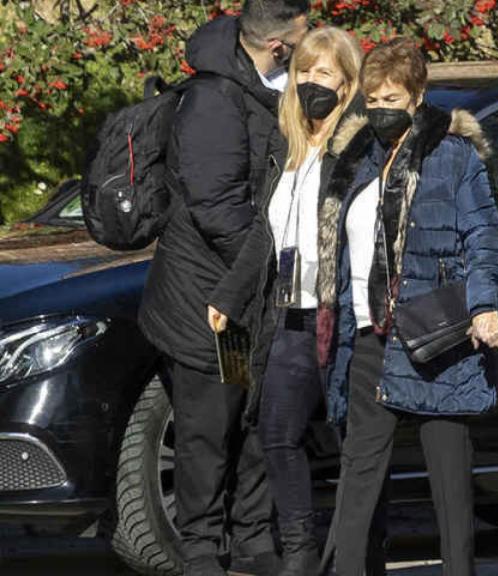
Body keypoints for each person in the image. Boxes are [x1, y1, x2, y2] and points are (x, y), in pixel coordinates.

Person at [318, 38, 498, 576]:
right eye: (373, 100)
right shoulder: (357, 157)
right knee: (358, 479)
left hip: (435, 336)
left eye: (392, 99)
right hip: (369, 336)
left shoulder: (453, 156)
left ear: (418, 97)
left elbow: (483, 236)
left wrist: (484, 304)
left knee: (449, 481)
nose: (380, 110)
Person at [137, 2, 309, 575]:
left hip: (252, 295)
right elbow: (217, 207)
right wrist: (266, 267)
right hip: (214, 300)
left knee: (255, 418)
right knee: (210, 425)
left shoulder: (271, 87)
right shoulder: (214, 99)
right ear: (278, 45)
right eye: (303, 34)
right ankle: (202, 547)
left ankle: (253, 539)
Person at [201, 26, 369, 576]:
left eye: (324, 73)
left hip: (342, 314)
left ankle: (357, 554)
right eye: (303, 72)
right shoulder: (287, 147)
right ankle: (300, 551)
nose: (311, 82)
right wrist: (230, 294)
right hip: (289, 315)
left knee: (356, 445)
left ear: (347, 83)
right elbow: (266, 234)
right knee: (276, 433)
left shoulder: (359, 148)